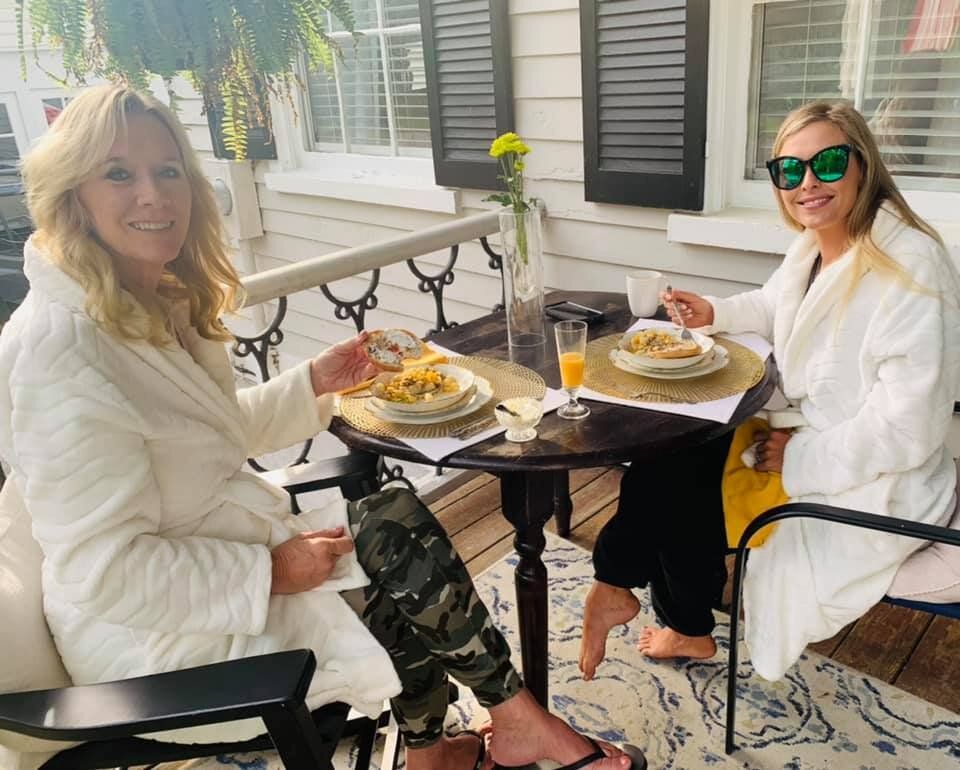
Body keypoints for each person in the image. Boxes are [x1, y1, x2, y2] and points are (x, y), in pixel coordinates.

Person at [0, 84, 644, 770]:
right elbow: (104, 573)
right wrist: (270, 570)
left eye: (168, 170)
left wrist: (316, 382)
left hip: (211, 559)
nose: (154, 195)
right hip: (152, 642)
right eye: (119, 173)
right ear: (73, 194)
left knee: (392, 535)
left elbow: (207, 436)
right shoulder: (62, 356)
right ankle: (509, 726)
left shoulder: (148, 304)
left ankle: (453, 745)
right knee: (395, 549)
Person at [578, 100, 960, 683]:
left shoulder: (910, 266)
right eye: (789, 169)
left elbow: (909, 428)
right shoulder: (817, 243)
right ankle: (625, 592)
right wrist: (717, 310)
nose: (807, 182)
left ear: (863, 165)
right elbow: (776, 301)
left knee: (678, 493)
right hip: (801, 435)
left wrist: (803, 459)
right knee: (668, 457)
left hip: (867, 478)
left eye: (828, 163)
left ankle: (659, 613)